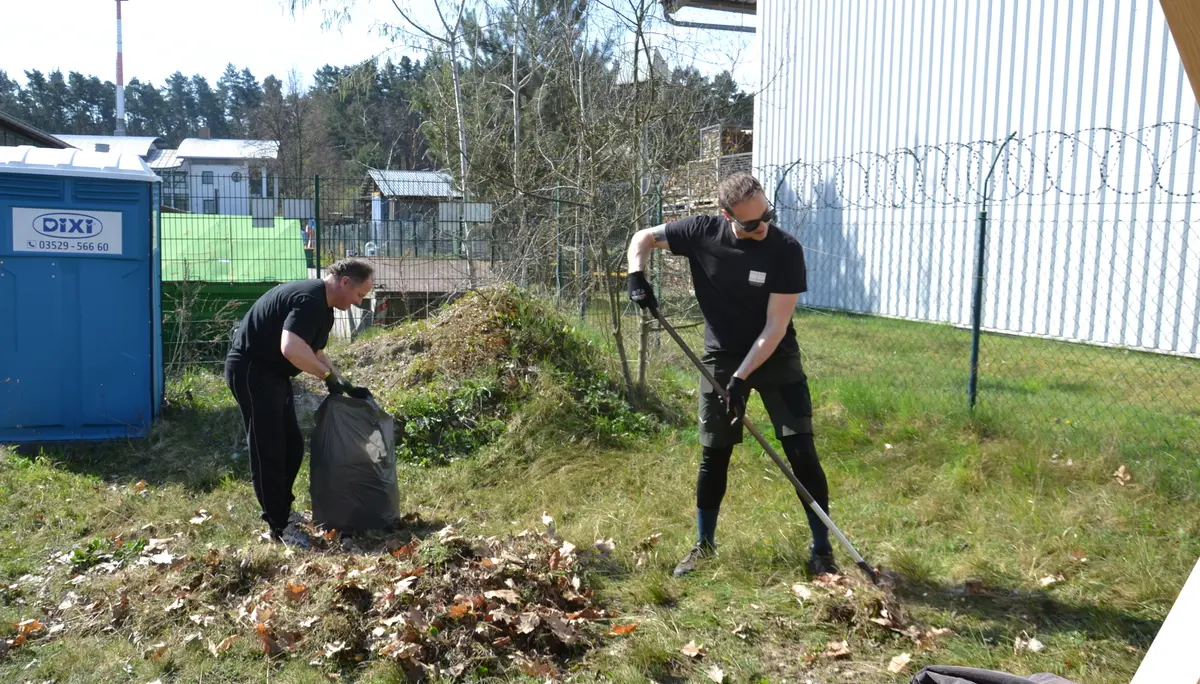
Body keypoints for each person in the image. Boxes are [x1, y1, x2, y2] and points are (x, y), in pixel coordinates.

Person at [625, 172, 837, 578]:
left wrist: (741, 379)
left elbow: (774, 328)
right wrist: (637, 275)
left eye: (767, 216)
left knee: (801, 452)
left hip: (774, 356)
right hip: (721, 357)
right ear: (726, 216)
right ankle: (703, 546)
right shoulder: (701, 231)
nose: (763, 228)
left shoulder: (785, 250)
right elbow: (643, 237)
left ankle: (822, 547)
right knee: (714, 455)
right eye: (751, 224)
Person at [224, 258, 375, 545]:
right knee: (267, 448)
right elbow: (291, 347)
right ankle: (279, 526)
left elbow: (314, 351)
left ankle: (283, 510)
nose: (358, 302)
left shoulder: (325, 308)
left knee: (291, 447)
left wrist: (344, 382)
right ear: (345, 282)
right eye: (359, 295)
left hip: (273, 375)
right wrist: (325, 379)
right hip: (252, 370)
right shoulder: (309, 300)